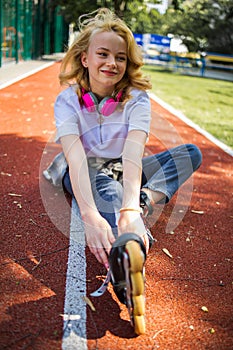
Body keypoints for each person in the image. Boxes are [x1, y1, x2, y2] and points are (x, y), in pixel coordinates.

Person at [43, 8, 202, 334]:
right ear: (85, 58)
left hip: (123, 166)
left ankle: (140, 206)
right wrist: (90, 217)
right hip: (85, 169)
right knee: (111, 192)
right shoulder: (67, 101)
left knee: (189, 153)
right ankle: (123, 261)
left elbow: (133, 154)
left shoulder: (137, 100)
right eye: (103, 54)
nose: (112, 63)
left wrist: (133, 208)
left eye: (120, 57)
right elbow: (74, 160)